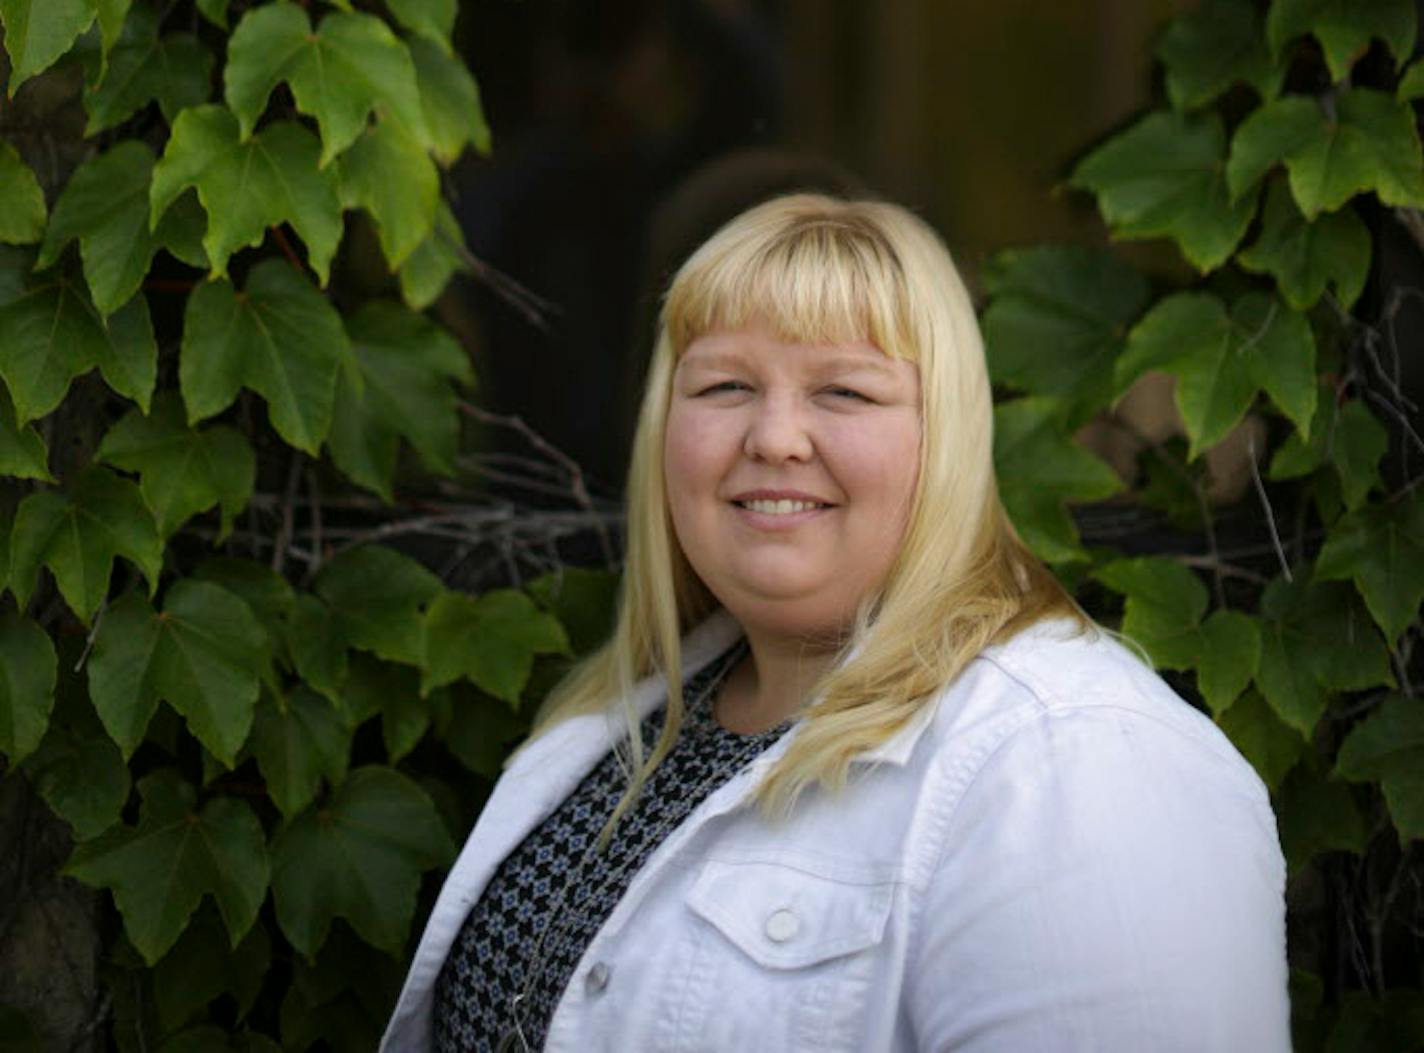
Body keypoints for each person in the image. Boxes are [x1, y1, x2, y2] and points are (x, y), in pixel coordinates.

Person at [381, 194, 1290, 1052]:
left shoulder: (1076, 761)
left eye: (845, 393)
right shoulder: (637, 716)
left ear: (948, 440)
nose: (774, 437)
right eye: (727, 386)